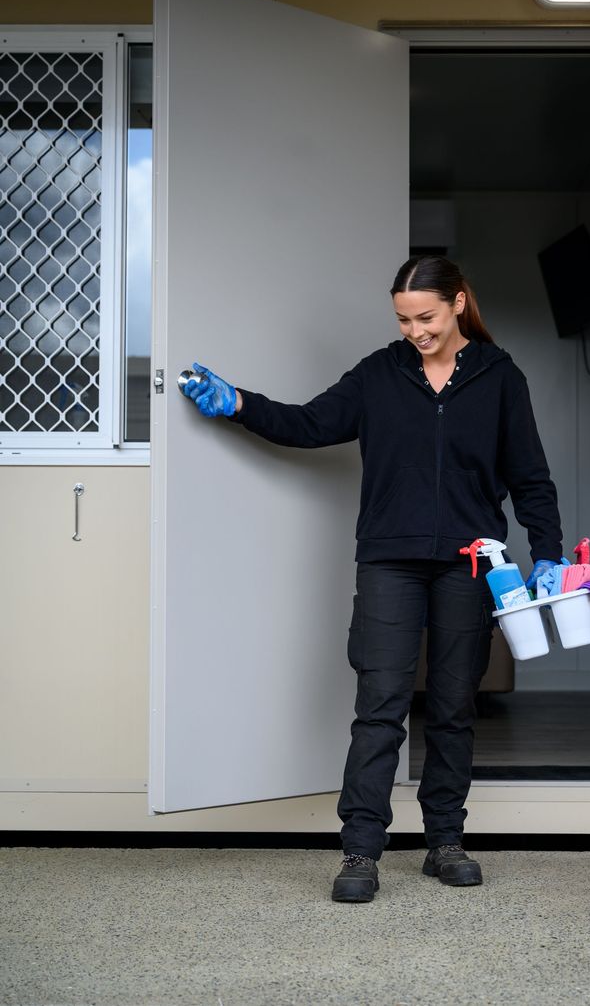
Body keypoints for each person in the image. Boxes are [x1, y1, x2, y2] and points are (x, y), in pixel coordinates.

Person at [183, 254, 563, 903]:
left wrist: (547, 550)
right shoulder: (379, 375)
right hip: (389, 558)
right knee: (380, 709)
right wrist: (239, 402)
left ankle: (445, 840)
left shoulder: (500, 377)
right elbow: (309, 424)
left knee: (451, 707)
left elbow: (529, 475)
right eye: (404, 319)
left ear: (459, 304)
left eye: (427, 317)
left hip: (471, 561)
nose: (415, 331)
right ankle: (360, 851)